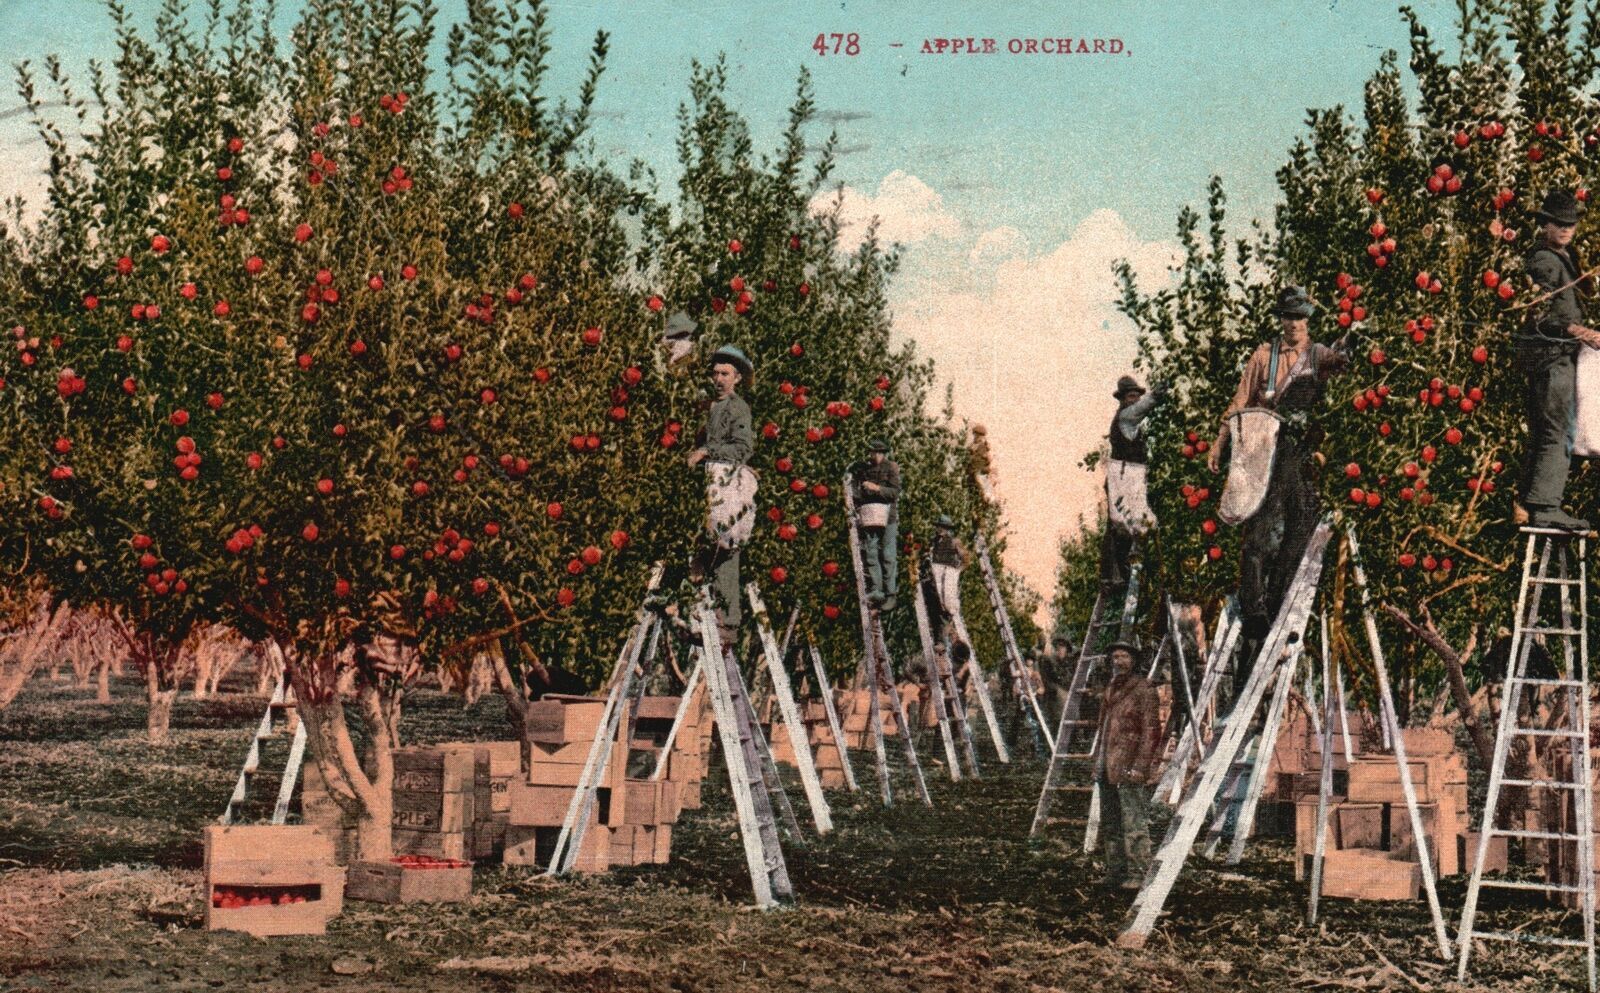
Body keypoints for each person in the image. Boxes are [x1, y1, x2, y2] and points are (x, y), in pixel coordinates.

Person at [1208, 285, 1349, 695]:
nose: (1295, 324)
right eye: (1289, 317)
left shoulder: (1317, 355)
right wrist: (1219, 443)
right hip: (1266, 452)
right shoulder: (1263, 357)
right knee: (1258, 537)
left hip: (1303, 458)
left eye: (1301, 317)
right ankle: (1255, 615)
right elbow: (1239, 402)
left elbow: (1346, 363)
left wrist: (1354, 335)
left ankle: (1276, 610)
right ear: (1281, 319)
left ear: (1308, 320)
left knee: (1298, 538)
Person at [1517, 189, 1600, 531]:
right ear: (1545, 224)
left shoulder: (1562, 256)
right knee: (1557, 429)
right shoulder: (1545, 261)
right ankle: (1545, 506)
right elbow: (1540, 315)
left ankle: (1532, 503)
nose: (1565, 229)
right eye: (1558, 223)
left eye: (1570, 224)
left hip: (1559, 355)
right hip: (1552, 356)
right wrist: (1582, 332)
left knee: (1551, 428)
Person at [688, 345, 755, 643]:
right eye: (715, 373)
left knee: (726, 546)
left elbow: (743, 448)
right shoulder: (708, 406)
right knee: (703, 547)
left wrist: (707, 451)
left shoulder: (737, 408)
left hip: (725, 483)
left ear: (737, 378)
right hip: (705, 484)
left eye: (725, 374)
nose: (718, 379)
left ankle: (727, 620)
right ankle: (701, 613)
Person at [1092, 640, 1164, 890]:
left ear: (1134, 661)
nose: (1119, 662)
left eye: (1124, 657)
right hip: (1108, 765)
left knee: (1133, 822)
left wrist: (1140, 767)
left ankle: (1138, 873)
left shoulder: (1144, 689)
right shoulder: (1110, 689)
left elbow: (1151, 732)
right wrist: (1098, 763)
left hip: (1129, 765)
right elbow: (1103, 729)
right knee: (1111, 822)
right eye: (1115, 657)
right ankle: (1115, 872)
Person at [1102, 375, 1165, 592]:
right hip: (1123, 479)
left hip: (1126, 478)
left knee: (1123, 524)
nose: (1135, 400)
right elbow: (1142, 408)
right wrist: (1156, 395)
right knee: (1121, 524)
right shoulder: (1126, 417)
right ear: (1122, 399)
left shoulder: (1130, 423)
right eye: (1131, 396)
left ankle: (1118, 573)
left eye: (1137, 396)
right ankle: (1115, 575)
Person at [853, 438, 902, 611]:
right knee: (871, 553)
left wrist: (877, 488)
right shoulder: (865, 469)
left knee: (888, 555)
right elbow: (860, 493)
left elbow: (895, 493)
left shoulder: (891, 468)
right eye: (871, 452)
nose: (872, 455)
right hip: (870, 516)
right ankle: (877, 589)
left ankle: (890, 594)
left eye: (874, 452)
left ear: (881, 453)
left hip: (888, 518)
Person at [967, 424, 995, 502]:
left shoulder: (983, 446)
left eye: (978, 435)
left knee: (980, 480)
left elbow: (989, 458)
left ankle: (986, 496)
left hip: (980, 470)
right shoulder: (973, 445)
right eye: (975, 435)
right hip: (972, 470)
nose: (976, 437)